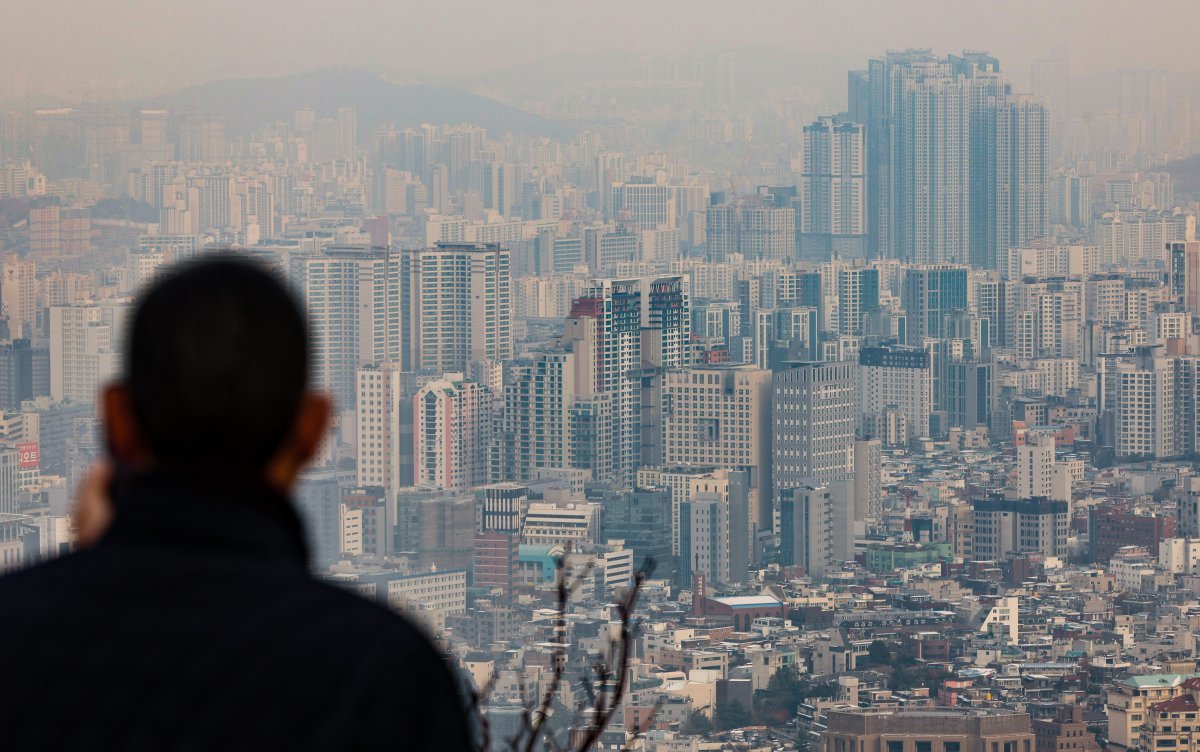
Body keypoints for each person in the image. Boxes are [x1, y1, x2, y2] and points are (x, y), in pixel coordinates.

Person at [0, 257, 474, 751]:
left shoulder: (13, 632)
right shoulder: (384, 674)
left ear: (117, 419)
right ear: (313, 428)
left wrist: (100, 564)